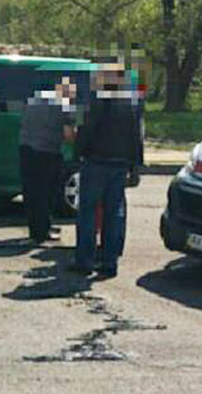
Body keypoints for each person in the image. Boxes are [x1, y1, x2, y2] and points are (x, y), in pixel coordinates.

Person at [70, 60, 143, 279]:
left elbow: (88, 126)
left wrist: (77, 153)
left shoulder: (100, 97)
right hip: (119, 162)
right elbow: (136, 134)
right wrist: (135, 164)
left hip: (97, 159)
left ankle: (85, 260)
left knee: (88, 211)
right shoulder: (132, 101)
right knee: (114, 212)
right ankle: (110, 262)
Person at [20, 77, 76, 244]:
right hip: (47, 152)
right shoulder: (63, 106)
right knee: (47, 194)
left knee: (32, 193)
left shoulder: (32, 102)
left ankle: (34, 230)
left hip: (26, 150)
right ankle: (43, 232)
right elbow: (68, 135)